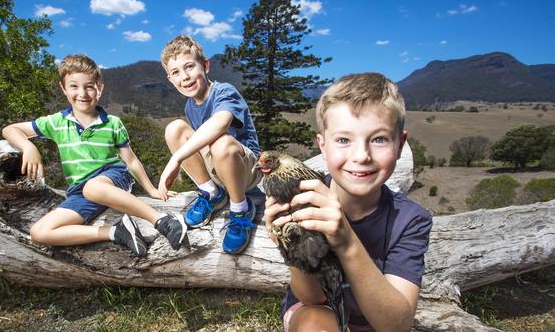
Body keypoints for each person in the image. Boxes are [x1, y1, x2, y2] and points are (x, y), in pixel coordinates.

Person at [264, 73, 433, 331]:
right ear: (323, 146)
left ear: (400, 145)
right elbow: (312, 298)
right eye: (343, 140)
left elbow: (396, 326)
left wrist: (345, 239)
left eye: (379, 139)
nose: (361, 156)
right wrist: (288, 243)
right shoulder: (302, 200)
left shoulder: (410, 220)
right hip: (316, 310)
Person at [2, 54, 187, 257]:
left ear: (100, 88)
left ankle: (162, 221)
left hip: (114, 177)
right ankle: (117, 232)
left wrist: (151, 189)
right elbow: (11, 129)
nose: (82, 93)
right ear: (63, 88)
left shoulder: (112, 123)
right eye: (74, 86)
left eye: (89, 86)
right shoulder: (56, 122)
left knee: (94, 187)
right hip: (79, 191)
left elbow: (131, 160)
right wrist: (29, 147)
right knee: (39, 232)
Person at [158, 36, 262, 254]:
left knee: (221, 143)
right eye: (176, 72)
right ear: (170, 79)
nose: (184, 77)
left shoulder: (224, 91)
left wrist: (176, 158)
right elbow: (201, 144)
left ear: (204, 66)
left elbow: (220, 124)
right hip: (217, 168)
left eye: (189, 67)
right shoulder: (189, 107)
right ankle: (213, 194)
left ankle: (241, 209)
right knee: (174, 129)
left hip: (246, 169)